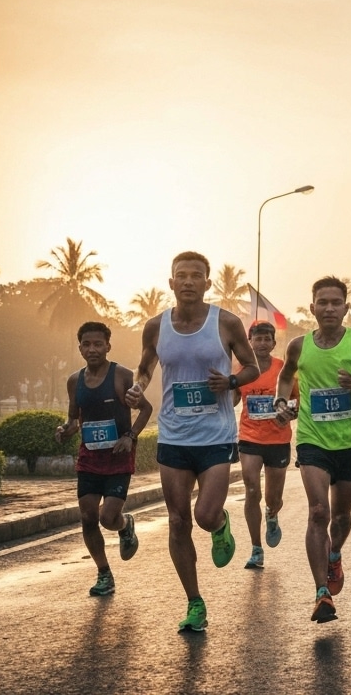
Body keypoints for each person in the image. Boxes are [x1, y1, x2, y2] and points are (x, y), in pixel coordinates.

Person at [126, 251, 260, 633]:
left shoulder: (227, 322)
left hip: (215, 435)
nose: (188, 281)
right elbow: (146, 365)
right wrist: (138, 387)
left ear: (207, 283)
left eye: (195, 276)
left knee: (202, 516)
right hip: (173, 434)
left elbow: (251, 367)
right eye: (180, 275)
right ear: (171, 282)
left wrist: (231, 382)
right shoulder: (155, 326)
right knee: (177, 519)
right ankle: (194, 602)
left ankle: (219, 525)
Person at [273, 276, 351, 623]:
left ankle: (334, 554)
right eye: (323, 302)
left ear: (346, 308)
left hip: (349, 441)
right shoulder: (298, 346)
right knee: (319, 511)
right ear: (313, 308)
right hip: (311, 439)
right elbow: (287, 376)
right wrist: (281, 399)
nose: (329, 308)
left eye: (336, 302)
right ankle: (321, 592)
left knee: (341, 516)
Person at [56, 321, 152, 597]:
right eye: (87, 344)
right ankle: (104, 573)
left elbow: (146, 409)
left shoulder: (122, 375)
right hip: (89, 458)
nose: (92, 349)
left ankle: (124, 525)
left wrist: (130, 436)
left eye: (98, 344)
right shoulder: (74, 381)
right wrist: (65, 430)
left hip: (118, 456)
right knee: (88, 517)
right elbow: (74, 419)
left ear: (108, 346)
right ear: (80, 348)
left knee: (107, 517)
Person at [234, 321, 293, 569]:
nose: (261, 344)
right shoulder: (242, 370)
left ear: (273, 343)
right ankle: (256, 548)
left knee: (273, 497)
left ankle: (272, 514)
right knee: (251, 490)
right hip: (250, 436)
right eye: (257, 339)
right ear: (250, 342)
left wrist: (287, 413)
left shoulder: (283, 369)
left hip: (278, 438)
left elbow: (297, 401)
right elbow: (232, 398)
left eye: (266, 339)